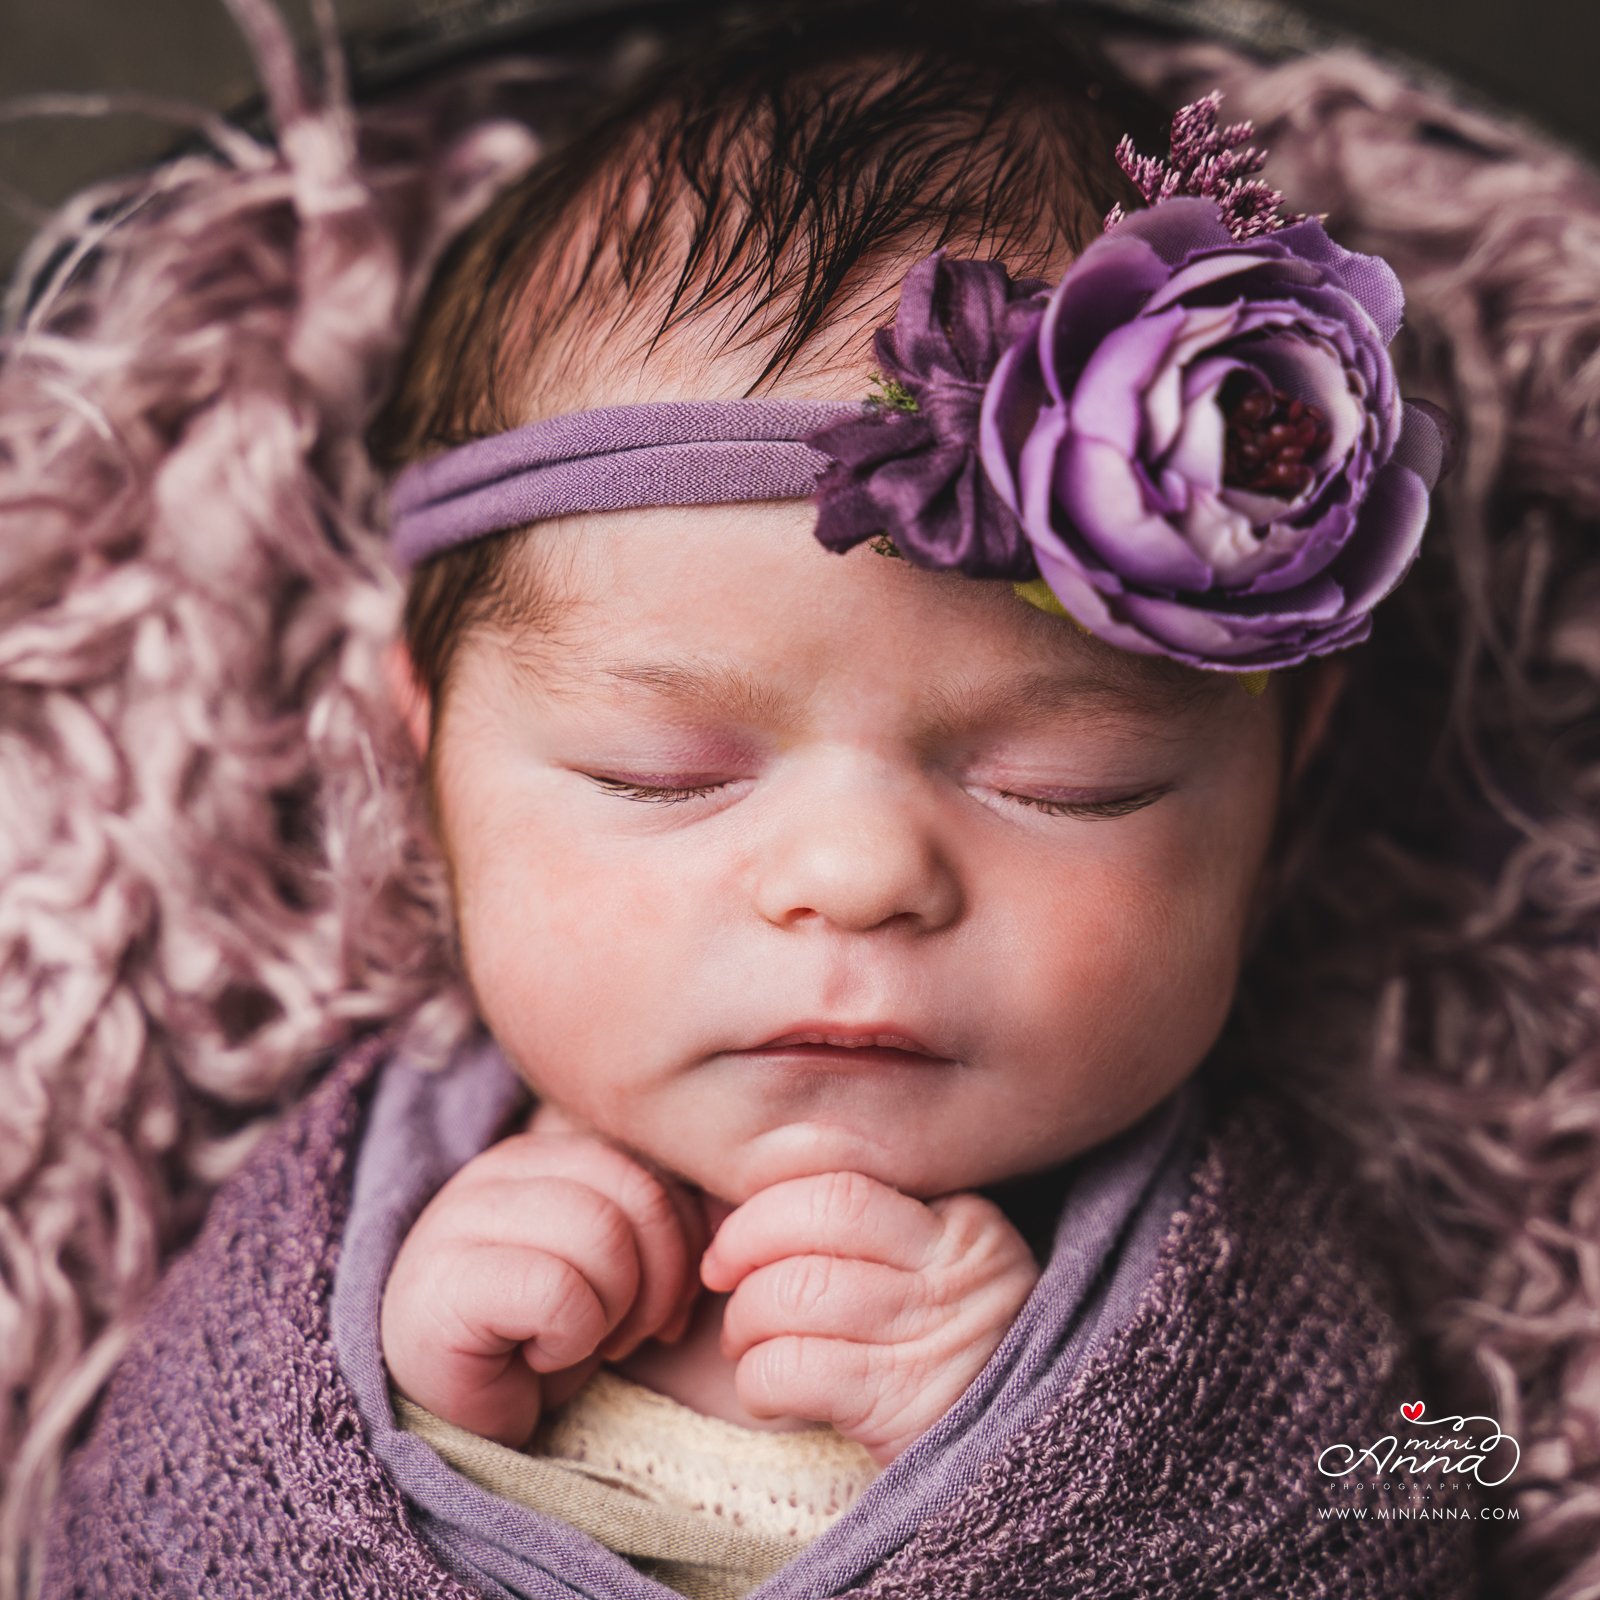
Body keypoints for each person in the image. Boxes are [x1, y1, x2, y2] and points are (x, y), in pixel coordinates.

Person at [14, 0, 1591, 1595]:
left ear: (1279, 788)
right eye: (661, 774)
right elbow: (130, 1531)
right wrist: (424, 1396)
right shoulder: (355, 1223)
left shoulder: (1263, 1255)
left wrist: (1045, 1440)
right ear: (423, 757)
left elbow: (1443, 1481)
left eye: (1070, 784)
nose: (851, 878)